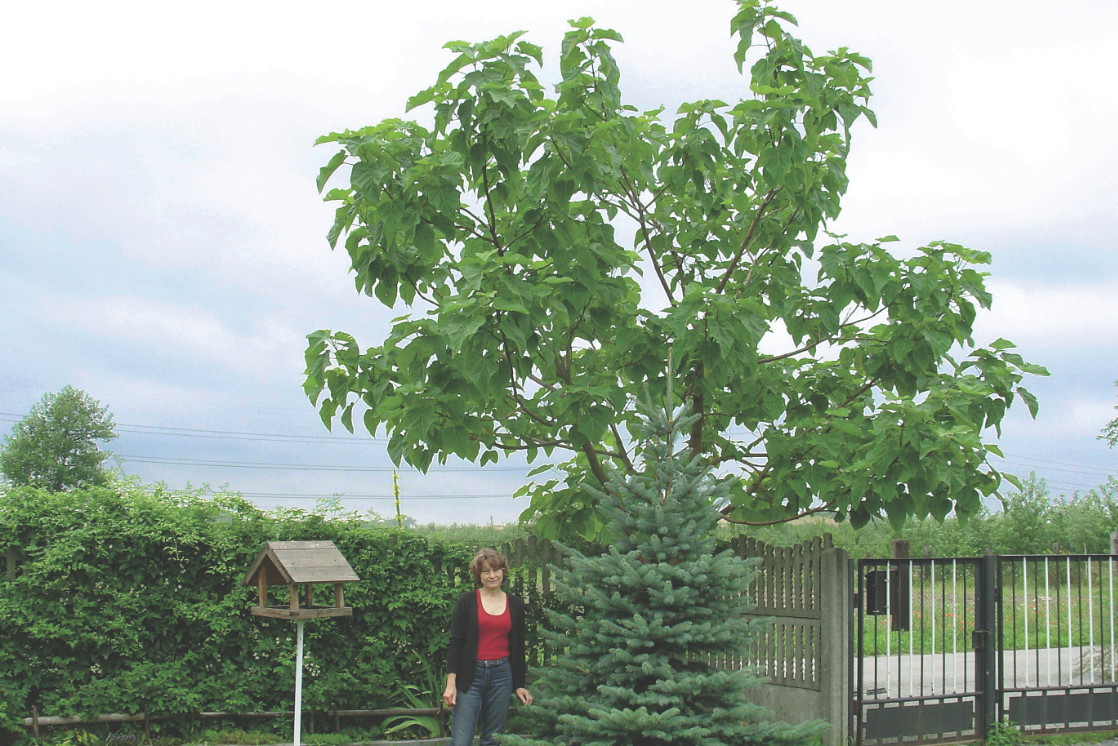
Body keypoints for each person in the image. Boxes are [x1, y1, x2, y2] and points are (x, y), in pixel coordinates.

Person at [443, 547, 533, 745]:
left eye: (496, 570)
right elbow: (456, 644)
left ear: (503, 572)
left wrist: (519, 684)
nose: (492, 576)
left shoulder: (515, 604)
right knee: (461, 740)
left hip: (501, 677)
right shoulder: (466, 602)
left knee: (493, 740)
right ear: (479, 575)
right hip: (470, 676)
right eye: (486, 571)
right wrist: (451, 684)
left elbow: (518, 648)